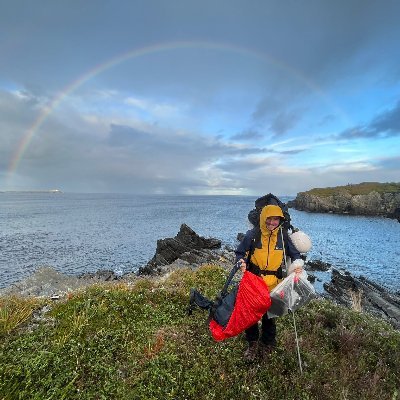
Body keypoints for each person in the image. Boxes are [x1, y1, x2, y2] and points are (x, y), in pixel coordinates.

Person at [235, 204, 304, 362]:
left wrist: (297, 266)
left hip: (274, 284)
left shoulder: (283, 236)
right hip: (254, 282)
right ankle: (252, 344)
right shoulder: (252, 234)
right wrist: (241, 262)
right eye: (270, 219)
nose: (272, 222)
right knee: (251, 316)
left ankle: (268, 344)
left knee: (269, 317)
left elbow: (295, 254)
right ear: (263, 218)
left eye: (276, 219)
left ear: (280, 220)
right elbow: (240, 252)